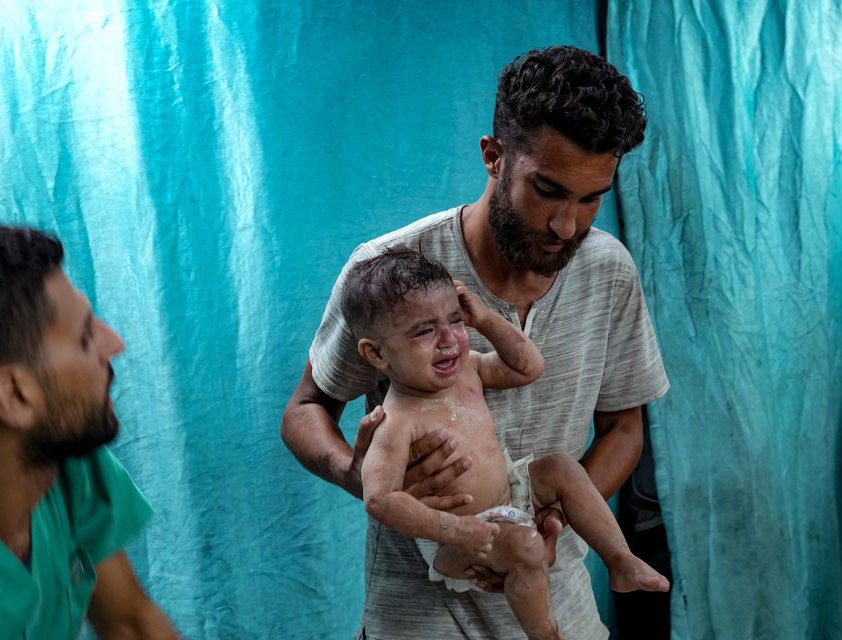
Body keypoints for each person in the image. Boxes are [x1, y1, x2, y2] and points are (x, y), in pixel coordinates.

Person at [281, 45, 670, 639]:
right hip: (414, 621)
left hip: (560, 610)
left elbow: (624, 429)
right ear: (494, 157)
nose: (567, 226)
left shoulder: (609, 270)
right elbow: (306, 410)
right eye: (547, 189)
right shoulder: (387, 271)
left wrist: (550, 517)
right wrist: (355, 472)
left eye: (591, 198)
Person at [347, 249, 668, 640]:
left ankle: (620, 559)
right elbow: (379, 499)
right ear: (376, 352)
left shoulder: (468, 370)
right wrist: (455, 530)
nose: (449, 340)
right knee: (528, 548)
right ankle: (547, 636)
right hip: (457, 537)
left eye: (455, 320)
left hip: (509, 493)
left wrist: (484, 318)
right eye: (424, 331)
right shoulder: (397, 422)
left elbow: (528, 366)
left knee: (562, 468)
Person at [0, 225, 180, 639]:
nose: (115, 343)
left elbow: (130, 623)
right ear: (16, 396)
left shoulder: (61, 451)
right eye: (85, 337)